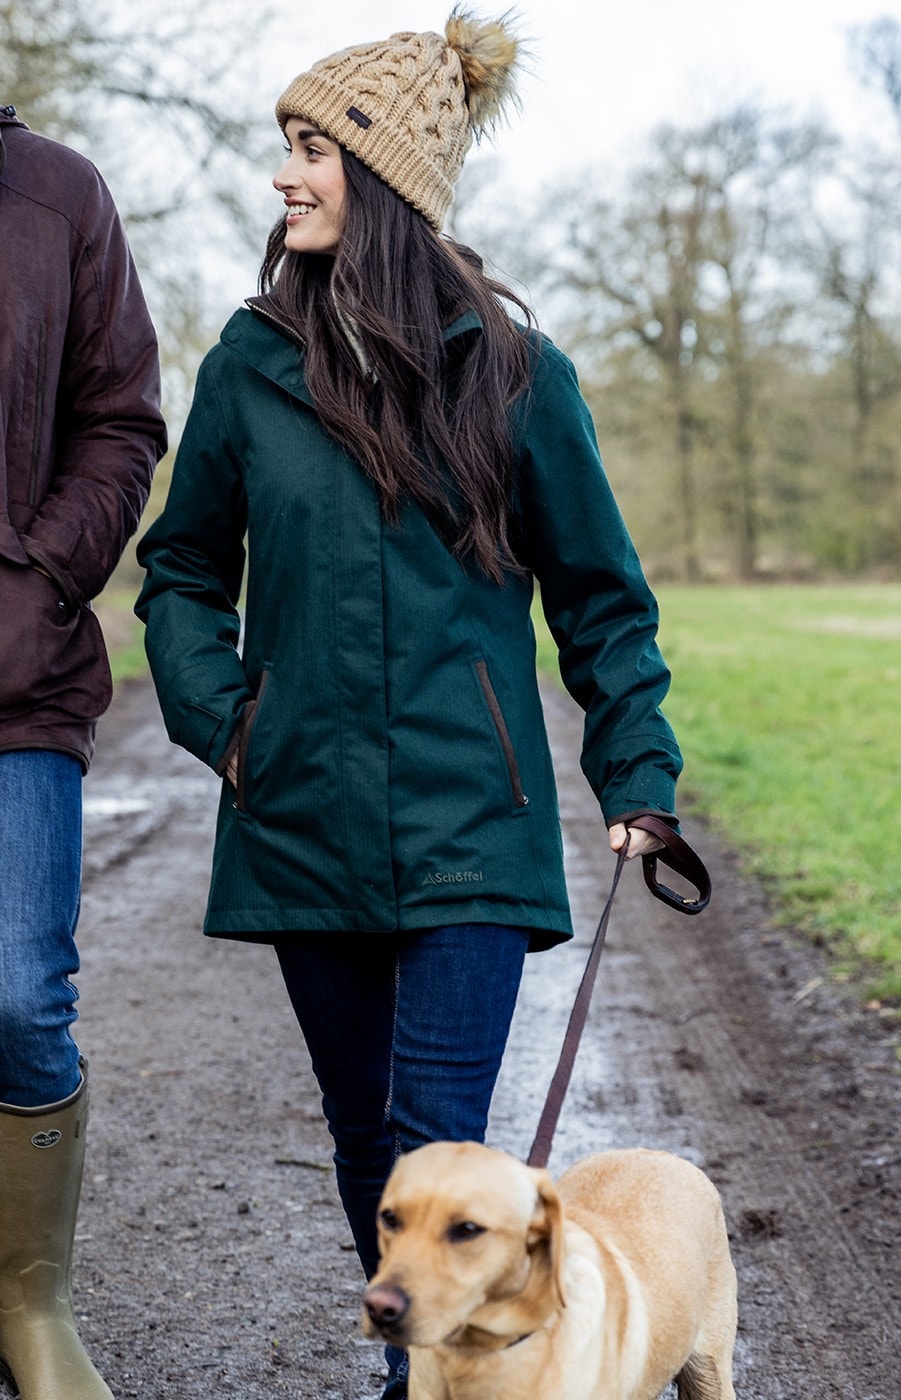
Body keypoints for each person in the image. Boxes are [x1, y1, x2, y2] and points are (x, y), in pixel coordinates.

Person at [134, 12, 683, 1397]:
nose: (285, 178)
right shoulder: (251, 366)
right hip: (300, 812)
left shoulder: (513, 373)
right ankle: (437, 1366)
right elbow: (184, 567)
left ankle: (426, 1385)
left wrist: (637, 778)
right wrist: (230, 722)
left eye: (312, 150)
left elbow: (602, 596)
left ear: (385, 179)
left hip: (469, 824)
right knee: (368, 1150)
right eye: (286, 149)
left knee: (439, 1132)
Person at [0, 107, 166, 1398]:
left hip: (17, 680)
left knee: (17, 996)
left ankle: (29, 1305)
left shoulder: (56, 194)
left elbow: (121, 417)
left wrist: (44, 570)